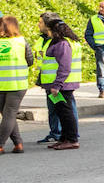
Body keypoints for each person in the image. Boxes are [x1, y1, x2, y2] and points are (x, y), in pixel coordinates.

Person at [38, 13, 82, 150]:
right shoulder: (58, 42)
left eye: (40, 22)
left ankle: (72, 139)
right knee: (61, 112)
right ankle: (64, 138)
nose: (38, 25)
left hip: (62, 85)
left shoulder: (62, 43)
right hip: (58, 84)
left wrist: (57, 85)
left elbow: (64, 66)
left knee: (66, 112)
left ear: (48, 26)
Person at [0, 15, 34, 154]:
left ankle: (0, 144)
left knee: (7, 114)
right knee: (10, 114)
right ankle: (18, 143)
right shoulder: (22, 41)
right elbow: (30, 61)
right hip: (18, 84)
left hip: (1, 85)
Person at [85, 0, 104, 98]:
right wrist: (94, 45)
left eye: (103, 7)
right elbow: (88, 34)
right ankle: (102, 90)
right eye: (100, 7)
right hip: (100, 47)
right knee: (101, 69)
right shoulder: (94, 19)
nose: (100, 9)